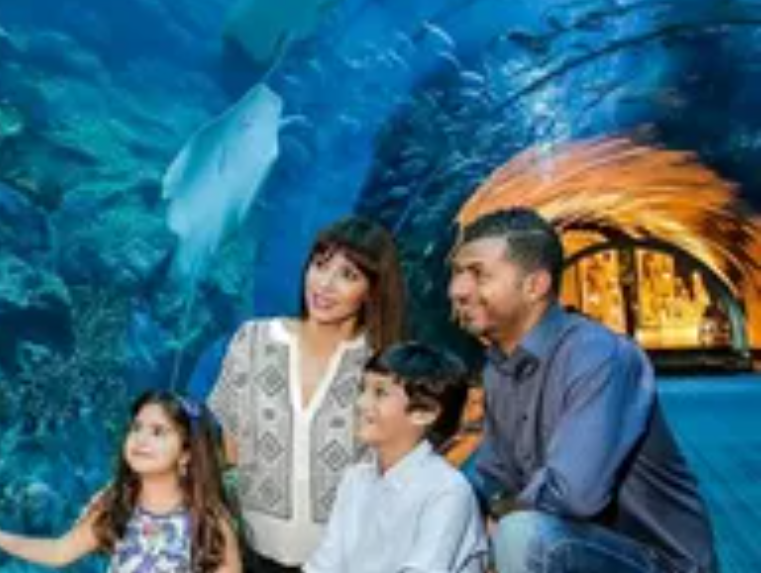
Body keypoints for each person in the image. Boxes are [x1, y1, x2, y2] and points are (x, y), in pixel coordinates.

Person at [448, 207, 716, 573]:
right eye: (457, 273)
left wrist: (500, 514)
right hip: (572, 543)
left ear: (534, 285)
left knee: (522, 536)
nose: (457, 290)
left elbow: (575, 495)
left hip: (657, 562)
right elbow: (494, 477)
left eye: (478, 274)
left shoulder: (598, 356)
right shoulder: (498, 368)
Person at [205, 215, 408, 572]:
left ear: (372, 290)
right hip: (251, 553)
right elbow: (228, 450)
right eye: (320, 265)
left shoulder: (384, 367)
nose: (325, 284)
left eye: (348, 275)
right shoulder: (253, 341)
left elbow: (396, 474)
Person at [0, 390, 241, 572]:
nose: (141, 439)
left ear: (186, 454)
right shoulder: (116, 504)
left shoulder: (208, 519)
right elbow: (60, 552)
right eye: (136, 427)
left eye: (158, 432)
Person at [304, 342, 487, 573]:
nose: (361, 402)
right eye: (363, 389)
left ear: (423, 412)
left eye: (379, 393)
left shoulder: (447, 491)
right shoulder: (355, 480)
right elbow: (326, 564)